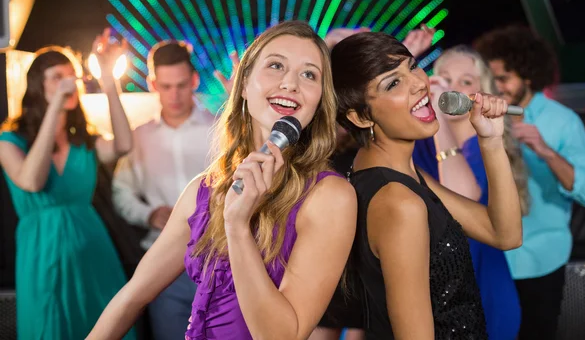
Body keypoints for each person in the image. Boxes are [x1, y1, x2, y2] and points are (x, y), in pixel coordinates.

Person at [86, 20, 357, 340]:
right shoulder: (204, 189)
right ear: (243, 85)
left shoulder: (331, 196)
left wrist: (237, 225)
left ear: (319, 99)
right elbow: (132, 297)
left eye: (309, 73)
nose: (290, 83)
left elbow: (282, 336)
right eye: (275, 65)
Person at [332, 31, 523, 339]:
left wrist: (490, 140)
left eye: (412, 66)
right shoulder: (398, 201)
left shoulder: (394, 172)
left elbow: (505, 234)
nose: (419, 83)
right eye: (393, 83)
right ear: (360, 116)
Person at [0, 31, 136, 340]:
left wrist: (107, 79)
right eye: (57, 77)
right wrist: (54, 110)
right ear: (38, 85)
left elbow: (124, 144)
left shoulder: (83, 141)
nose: (67, 83)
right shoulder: (10, 141)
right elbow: (32, 181)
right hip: (41, 252)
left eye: (71, 77)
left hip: (92, 251)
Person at [474, 25, 585, 340]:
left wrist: (545, 152)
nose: (497, 86)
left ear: (528, 76)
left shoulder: (562, 120)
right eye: (492, 78)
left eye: (504, 78)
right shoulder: (479, 117)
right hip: (489, 258)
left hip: (541, 258)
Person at [310, 25, 436, 340]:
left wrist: (400, 66)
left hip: (370, 237)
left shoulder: (378, 135)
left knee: (365, 322)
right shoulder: (322, 120)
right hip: (330, 244)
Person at [111, 40, 229, 339]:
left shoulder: (221, 130)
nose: (174, 95)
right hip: (162, 263)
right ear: (152, 84)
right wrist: (148, 214)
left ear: (193, 80)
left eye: (180, 85)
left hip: (219, 260)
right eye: (165, 86)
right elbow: (121, 193)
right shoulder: (139, 138)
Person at [413, 45, 528, 340]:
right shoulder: (421, 146)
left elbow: (461, 196)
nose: (450, 89)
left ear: (482, 93)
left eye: (465, 82)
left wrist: (436, 114)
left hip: (483, 290)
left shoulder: (484, 147)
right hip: (440, 296)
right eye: (444, 79)